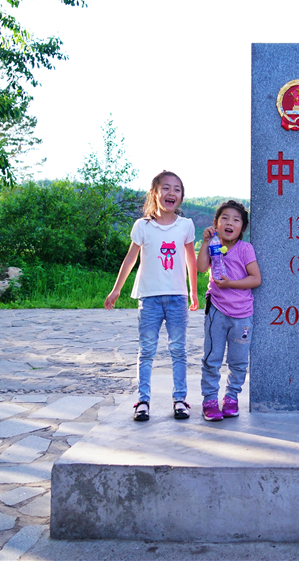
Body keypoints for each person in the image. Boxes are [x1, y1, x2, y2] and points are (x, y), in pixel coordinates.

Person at [105, 171, 199, 422]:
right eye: (166, 188)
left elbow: (191, 259)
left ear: (181, 196)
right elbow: (130, 259)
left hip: (177, 297)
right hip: (149, 298)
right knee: (146, 350)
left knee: (178, 350)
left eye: (177, 189)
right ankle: (143, 401)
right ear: (154, 193)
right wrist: (117, 289)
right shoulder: (142, 226)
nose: (171, 193)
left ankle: (180, 399)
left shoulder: (186, 226)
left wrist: (193, 291)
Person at [196, 201, 261, 421]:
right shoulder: (213, 243)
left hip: (242, 314)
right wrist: (205, 242)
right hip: (216, 310)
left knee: (239, 360)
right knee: (212, 357)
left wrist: (230, 283)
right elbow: (201, 268)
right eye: (224, 218)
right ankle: (210, 400)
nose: (229, 223)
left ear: (243, 227)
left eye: (236, 219)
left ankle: (231, 397)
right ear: (216, 223)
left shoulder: (245, 249)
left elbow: (256, 279)